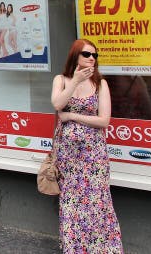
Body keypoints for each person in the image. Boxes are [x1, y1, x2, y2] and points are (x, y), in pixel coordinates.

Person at [50, 39, 123, 253]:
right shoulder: (61, 80)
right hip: (68, 155)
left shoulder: (100, 84)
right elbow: (57, 104)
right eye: (87, 54)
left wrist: (72, 116)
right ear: (75, 56)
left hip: (94, 155)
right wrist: (74, 81)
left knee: (97, 201)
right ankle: (74, 248)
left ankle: (102, 249)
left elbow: (104, 121)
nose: (92, 58)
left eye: (95, 55)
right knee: (71, 203)